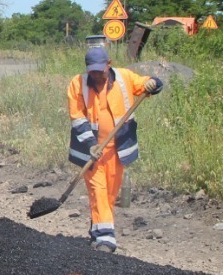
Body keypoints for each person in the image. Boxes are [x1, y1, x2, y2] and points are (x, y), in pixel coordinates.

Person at [66, 47, 163, 252]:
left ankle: (97, 228)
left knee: (110, 193)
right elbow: (78, 118)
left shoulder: (124, 77)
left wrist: (153, 83)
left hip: (116, 149)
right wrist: (90, 144)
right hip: (91, 151)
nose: (96, 75)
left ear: (108, 64)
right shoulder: (78, 83)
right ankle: (105, 239)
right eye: (92, 71)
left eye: (99, 70)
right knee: (98, 190)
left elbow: (146, 84)